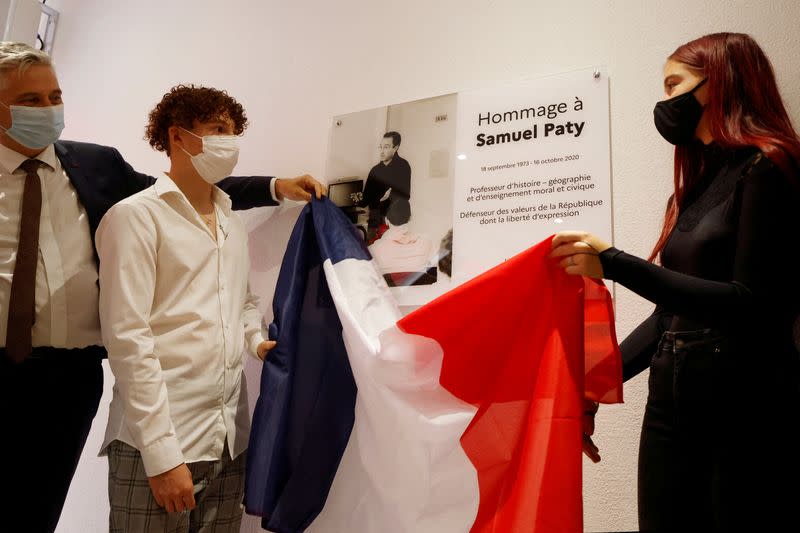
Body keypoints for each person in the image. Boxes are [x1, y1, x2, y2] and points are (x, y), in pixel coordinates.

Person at [0, 42, 323, 533]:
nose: (48, 110)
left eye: (54, 96)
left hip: (71, 371)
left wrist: (275, 186)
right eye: (30, 101)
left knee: (38, 508)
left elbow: (183, 192)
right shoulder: (133, 220)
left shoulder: (95, 165)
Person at [549, 33, 800, 532]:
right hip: (672, 400)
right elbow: (670, 316)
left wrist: (616, 263)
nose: (665, 103)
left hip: (747, 405)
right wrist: (593, 387)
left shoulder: (770, 165)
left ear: (719, 81)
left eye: (674, 85)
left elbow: (751, 304)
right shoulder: (699, 185)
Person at [98, 84, 276, 532]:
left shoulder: (232, 223)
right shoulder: (136, 217)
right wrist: (161, 455)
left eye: (233, 131)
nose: (229, 141)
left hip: (228, 440)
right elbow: (127, 338)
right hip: (158, 443)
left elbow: (242, 301)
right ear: (178, 137)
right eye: (218, 129)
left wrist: (256, 341)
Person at [357, 131, 411, 242]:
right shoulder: (375, 170)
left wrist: (388, 198)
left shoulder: (403, 166)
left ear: (395, 148)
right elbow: (366, 199)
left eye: (386, 147)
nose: (381, 151)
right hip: (375, 220)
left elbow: (406, 196)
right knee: (373, 252)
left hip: (394, 222)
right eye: (380, 147)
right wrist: (359, 199)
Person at [368, 199, 436, 286]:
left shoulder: (373, 250)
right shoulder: (427, 243)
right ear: (410, 218)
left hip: (392, 297)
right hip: (423, 296)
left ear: (386, 220)